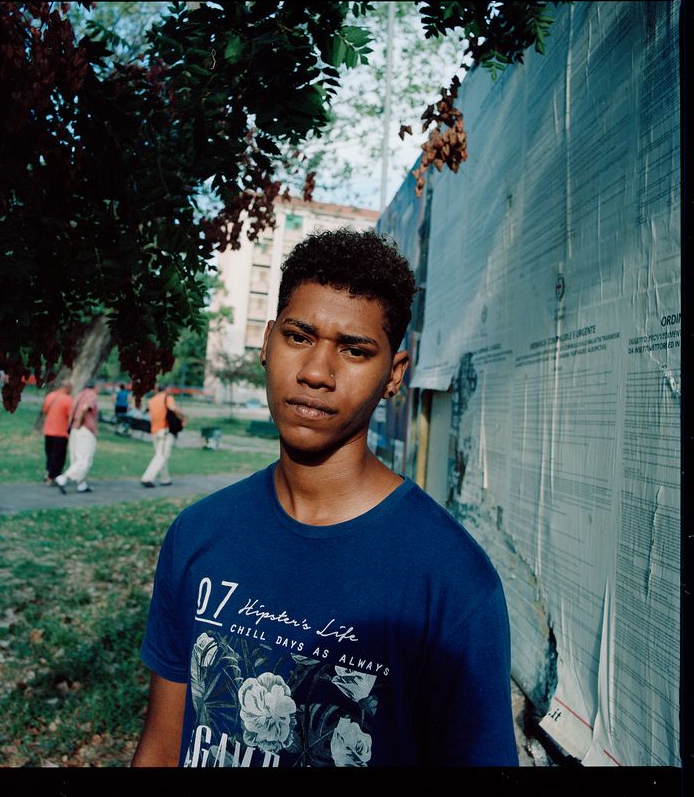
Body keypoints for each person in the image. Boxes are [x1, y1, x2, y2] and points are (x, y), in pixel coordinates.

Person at [132, 228, 518, 768]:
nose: (316, 372)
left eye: (355, 350)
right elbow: (160, 747)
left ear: (394, 376)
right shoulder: (198, 535)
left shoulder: (452, 584)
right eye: (298, 337)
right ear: (267, 342)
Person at [54, 380, 99, 495]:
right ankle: (63, 478)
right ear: (95, 387)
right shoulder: (91, 395)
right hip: (85, 430)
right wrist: (80, 422)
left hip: (75, 429)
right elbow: (85, 408)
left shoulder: (79, 395)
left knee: (76, 458)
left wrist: (74, 425)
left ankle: (81, 484)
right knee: (85, 459)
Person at [140, 385, 184, 488]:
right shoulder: (168, 398)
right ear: (166, 390)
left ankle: (165, 479)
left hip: (155, 431)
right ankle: (147, 478)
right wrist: (183, 416)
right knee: (162, 456)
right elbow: (173, 408)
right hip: (165, 431)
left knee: (160, 455)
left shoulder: (151, 400)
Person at [41, 379, 73, 483]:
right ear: (67, 388)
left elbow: (45, 410)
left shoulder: (49, 396)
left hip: (48, 431)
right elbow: (70, 417)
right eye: (71, 388)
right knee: (58, 456)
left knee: (49, 454)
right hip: (60, 432)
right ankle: (52, 477)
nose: (71, 390)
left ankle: (48, 472)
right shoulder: (68, 400)